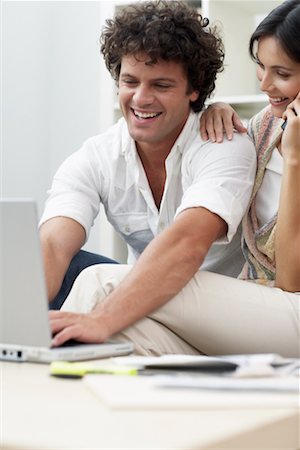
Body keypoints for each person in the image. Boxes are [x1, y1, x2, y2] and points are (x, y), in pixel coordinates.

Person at [44, 0, 257, 354]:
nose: (141, 98)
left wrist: (101, 320)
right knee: (71, 267)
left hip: (220, 312)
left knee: (98, 283)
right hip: (147, 298)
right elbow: (52, 244)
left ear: (194, 89)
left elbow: (186, 244)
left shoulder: (222, 142)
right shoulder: (98, 155)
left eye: (161, 85)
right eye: (129, 81)